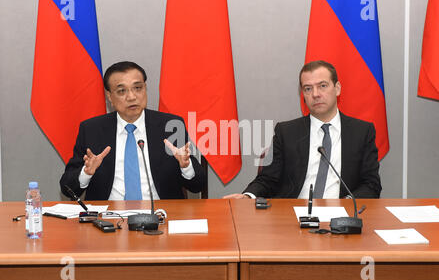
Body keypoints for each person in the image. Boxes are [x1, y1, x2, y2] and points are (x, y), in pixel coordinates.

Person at [224, 60, 381, 199]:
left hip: (341, 215)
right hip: (293, 217)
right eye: (308, 89)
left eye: (323, 86)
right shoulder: (286, 132)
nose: (315, 94)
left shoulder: (362, 132)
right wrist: (248, 196)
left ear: (337, 88)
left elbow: (371, 184)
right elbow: (267, 179)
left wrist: (346, 204)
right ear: (303, 95)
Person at [60, 61, 206, 200]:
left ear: (145, 88)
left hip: (161, 214)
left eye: (138, 88)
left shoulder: (171, 125)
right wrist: (86, 173)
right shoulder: (92, 129)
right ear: (110, 97)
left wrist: (186, 166)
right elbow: (67, 188)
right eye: (122, 91)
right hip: (108, 217)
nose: (131, 97)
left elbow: (197, 185)